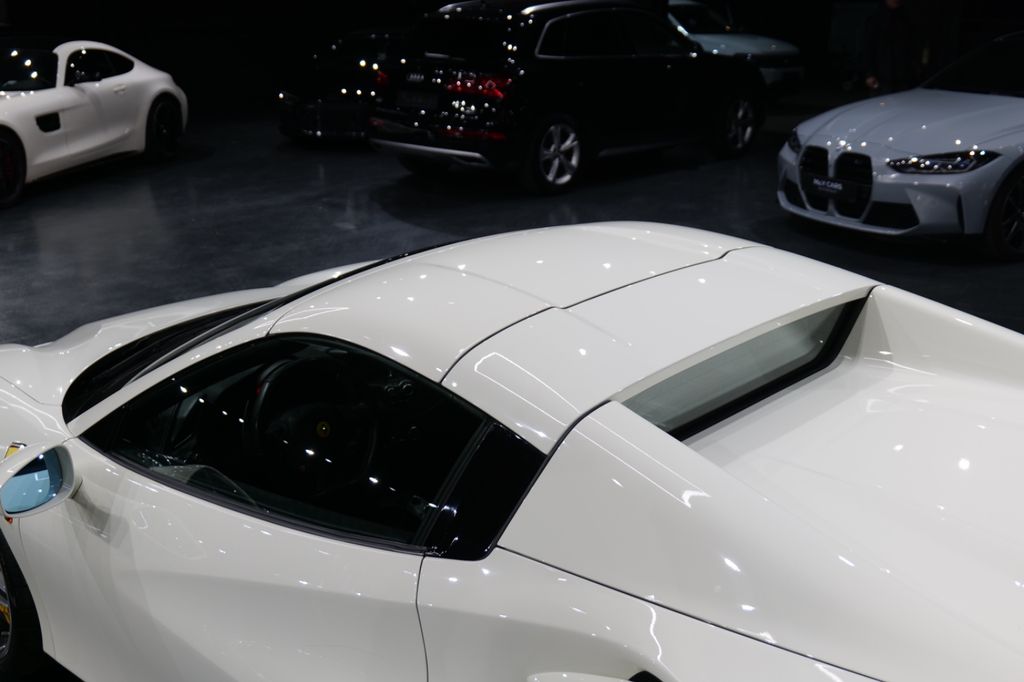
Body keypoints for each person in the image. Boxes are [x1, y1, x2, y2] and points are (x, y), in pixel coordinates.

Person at [864, 0, 921, 93]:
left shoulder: (906, 17)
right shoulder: (876, 18)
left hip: (903, 74)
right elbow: (869, 47)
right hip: (882, 75)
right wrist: (870, 74)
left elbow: (912, 45)